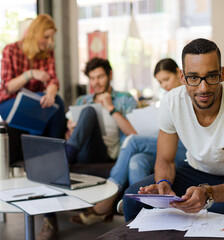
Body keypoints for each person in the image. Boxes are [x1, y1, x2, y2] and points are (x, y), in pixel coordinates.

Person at [123, 38, 224, 222]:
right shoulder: (172, 102)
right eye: (193, 78)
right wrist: (163, 184)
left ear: (222, 74)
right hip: (194, 172)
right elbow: (165, 161)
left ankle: (189, 206)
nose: (203, 88)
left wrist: (208, 194)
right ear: (182, 77)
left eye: (211, 76)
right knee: (131, 197)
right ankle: (193, 205)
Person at [69, 58, 187, 226]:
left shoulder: (188, 96)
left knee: (132, 141)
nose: (164, 85)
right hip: (166, 144)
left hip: (183, 148)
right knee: (136, 160)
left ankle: (109, 196)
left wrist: (111, 108)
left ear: (179, 73)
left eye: (166, 79)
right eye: (160, 82)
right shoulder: (169, 99)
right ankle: (142, 217)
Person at [38, 57, 137, 240]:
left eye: (100, 77)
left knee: (89, 111)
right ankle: (65, 157)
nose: (95, 83)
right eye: (92, 79)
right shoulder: (83, 100)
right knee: (88, 111)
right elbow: (72, 137)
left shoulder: (125, 99)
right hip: (83, 151)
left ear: (110, 75)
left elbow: (133, 134)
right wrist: (70, 131)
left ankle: (61, 160)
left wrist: (110, 108)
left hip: (107, 153)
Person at [0, 14, 65, 138]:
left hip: (34, 101)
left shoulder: (48, 53)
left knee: (57, 102)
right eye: (46, 37)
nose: (50, 42)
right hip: (9, 102)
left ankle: (57, 151)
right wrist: (30, 74)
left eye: (52, 37)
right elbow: (8, 88)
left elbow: (53, 80)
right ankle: (38, 155)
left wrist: (50, 94)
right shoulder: (11, 50)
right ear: (34, 34)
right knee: (39, 105)